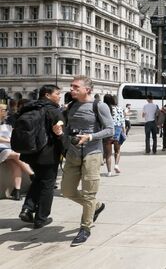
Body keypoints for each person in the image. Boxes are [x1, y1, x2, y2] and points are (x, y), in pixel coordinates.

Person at [61, 75, 113, 246]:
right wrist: (62, 133)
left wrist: (90, 136)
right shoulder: (72, 106)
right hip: (73, 154)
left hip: (92, 153)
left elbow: (110, 130)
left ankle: (85, 228)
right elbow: (69, 129)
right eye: (71, 86)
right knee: (67, 191)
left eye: (76, 87)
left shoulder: (100, 106)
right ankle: (96, 206)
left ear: (87, 89)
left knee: (89, 192)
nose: (71, 89)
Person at [18, 85, 65, 228]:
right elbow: (60, 134)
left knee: (38, 179)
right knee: (48, 185)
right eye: (57, 93)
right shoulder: (53, 111)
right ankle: (41, 217)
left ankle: (27, 209)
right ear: (47, 95)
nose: (59, 96)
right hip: (48, 153)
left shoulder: (29, 107)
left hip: (30, 152)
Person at [0, 104, 35, 201]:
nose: (7, 111)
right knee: (17, 155)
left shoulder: (9, 121)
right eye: (5, 109)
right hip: (2, 148)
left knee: (16, 165)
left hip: (8, 148)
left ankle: (17, 191)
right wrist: (9, 141)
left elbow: (14, 133)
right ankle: (33, 175)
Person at [102, 95, 124, 176]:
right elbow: (122, 121)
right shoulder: (119, 108)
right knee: (117, 150)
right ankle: (116, 165)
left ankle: (109, 172)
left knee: (108, 153)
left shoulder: (105, 109)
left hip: (108, 130)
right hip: (117, 130)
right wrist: (124, 131)